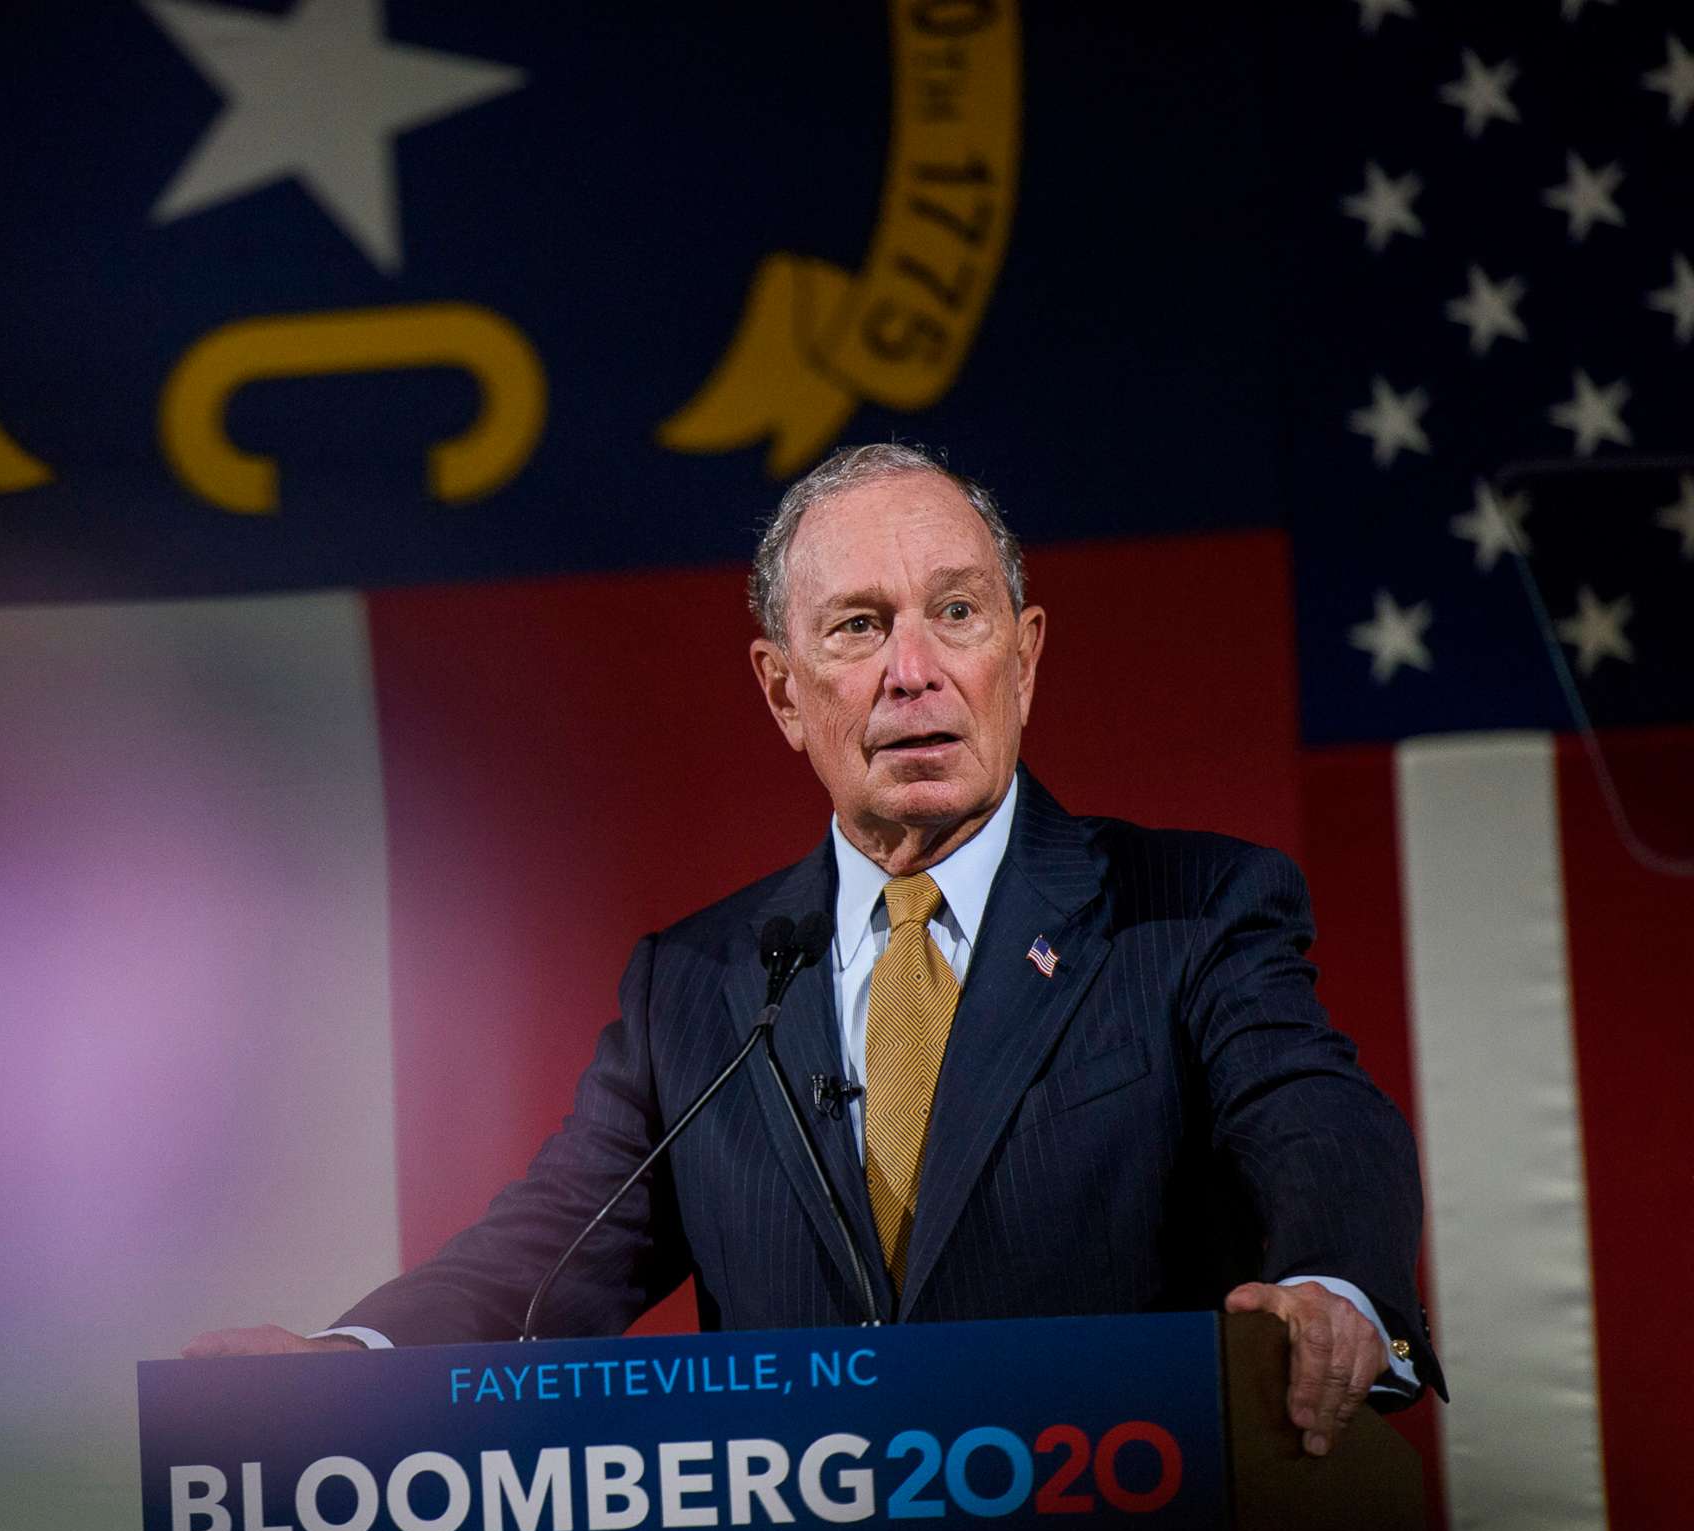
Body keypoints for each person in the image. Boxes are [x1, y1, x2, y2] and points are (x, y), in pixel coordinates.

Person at [185, 443, 1441, 1457]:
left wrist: (1335, 1284)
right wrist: (343, 1367)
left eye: (957, 612)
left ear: (1026, 653)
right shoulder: (700, 982)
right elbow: (554, 1244)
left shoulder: (1190, 908)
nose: (914, 672)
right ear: (784, 691)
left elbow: (1318, 1116)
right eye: (856, 627)